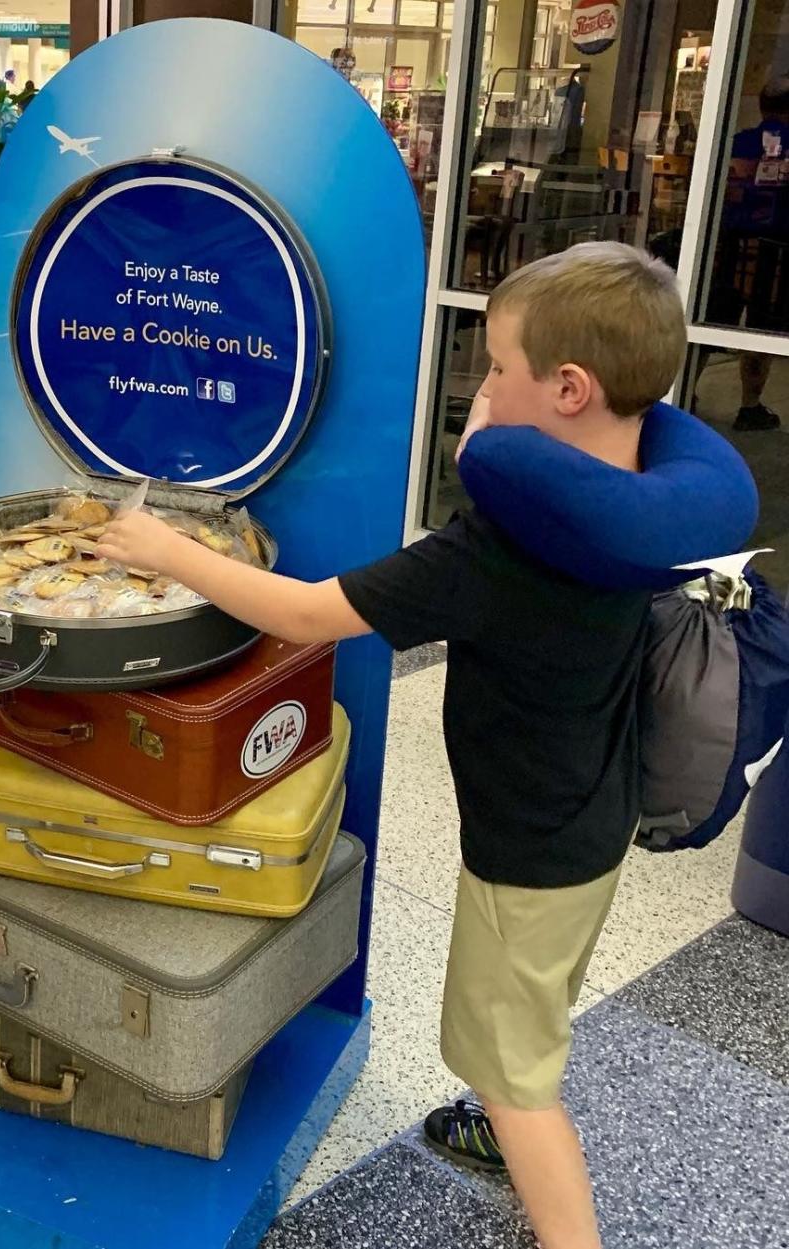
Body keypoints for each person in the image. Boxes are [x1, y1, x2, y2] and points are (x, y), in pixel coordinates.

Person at [96, 242, 688, 1249]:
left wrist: (170, 553)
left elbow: (306, 611)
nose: (483, 390)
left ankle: (556, 1209)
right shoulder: (637, 502)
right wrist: (494, 443)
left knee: (510, 1070)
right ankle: (507, 1120)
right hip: (592, 812)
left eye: (496, 370)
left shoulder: (499, 556)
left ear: (568, 387)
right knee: (529, 1009)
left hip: (529, 850)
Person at [709, 75, 789, 431]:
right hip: (775, 251)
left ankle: (685, 388)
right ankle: (750, 404)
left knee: (711, 318)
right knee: (762, 327)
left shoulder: (738, 141)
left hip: (729, 247)